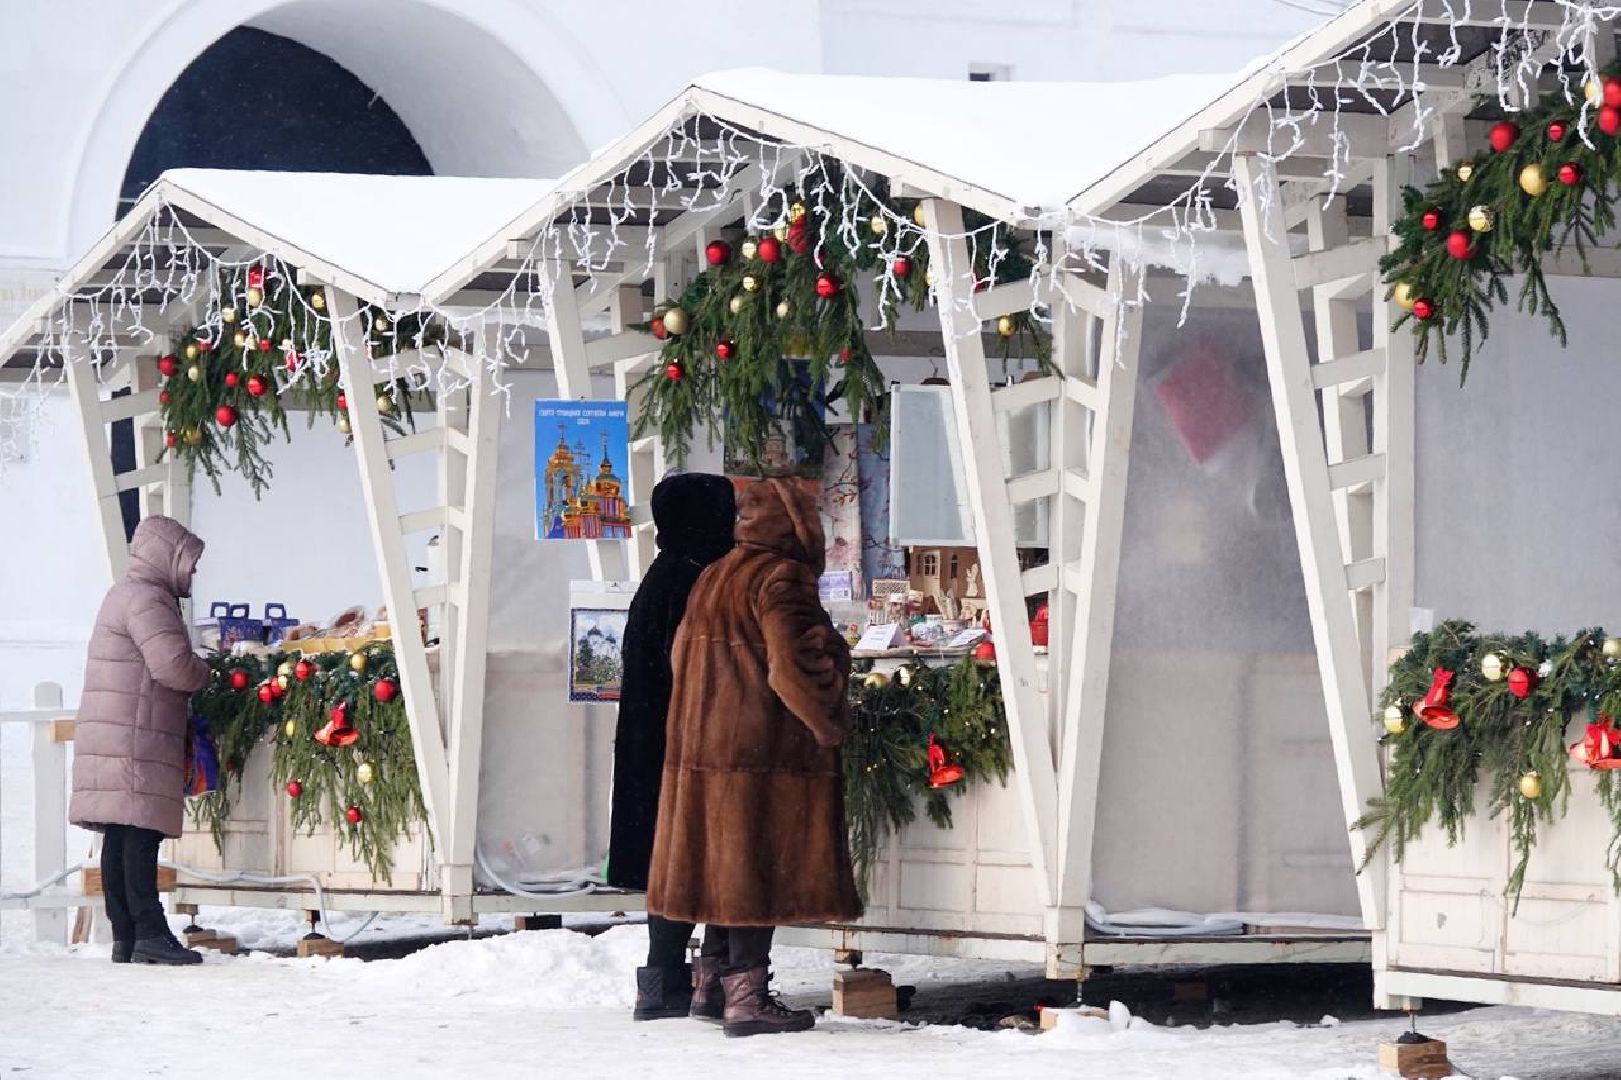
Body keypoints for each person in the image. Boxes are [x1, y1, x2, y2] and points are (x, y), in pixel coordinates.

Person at [646, 478, 862, 1038]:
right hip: (762, 747)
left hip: (708, 744)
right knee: (755, 863)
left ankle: (711, 982)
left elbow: (678, 655)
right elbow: (795, 666)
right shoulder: (782, 576)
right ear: (797, 524)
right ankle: (748, 995)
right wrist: (830, 712)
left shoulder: (716, 573)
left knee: (726, 861)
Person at [606, 473, 737, 1022]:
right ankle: (714, 981)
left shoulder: (663, 575)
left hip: (650, 742)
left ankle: (661, 984)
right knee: (713, 856)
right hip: (690, 740)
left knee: (670, 862)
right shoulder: (701, 580)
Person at [70, 515, 211, 966]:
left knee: (120, 833)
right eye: (189, 562)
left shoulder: (125, 593)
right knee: (140, 834)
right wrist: (208, 670)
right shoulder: (149, 599)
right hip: (136, 733)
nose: (192, 572)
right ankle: (150, 932)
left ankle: (126, 936)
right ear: (167, 557)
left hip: (120, 730)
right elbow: (173, 666)